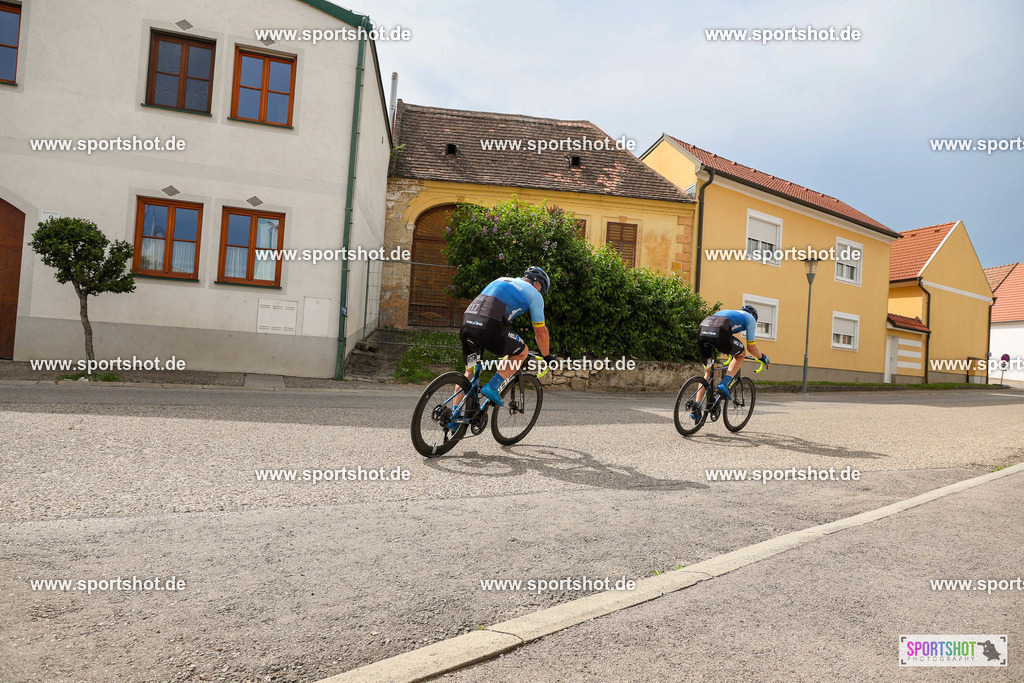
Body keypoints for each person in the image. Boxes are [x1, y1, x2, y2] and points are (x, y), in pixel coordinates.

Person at [460, 266, 556, 406]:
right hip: (489, 326)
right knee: (522, 352)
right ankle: (492, 387)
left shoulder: (501, 279)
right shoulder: (535, 295)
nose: (540, 293)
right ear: (537, 284)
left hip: (467, 324)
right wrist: (547, 356)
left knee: (469, 373)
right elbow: (541, 332)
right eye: (541, 290)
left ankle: (453, 414)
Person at [693, 304, 770, 419]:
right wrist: (762, 357)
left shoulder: (730, 313)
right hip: (719, 334)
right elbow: (751, 347)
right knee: (741, 355)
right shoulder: (751, 319)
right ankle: (724, 384)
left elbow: (724, 337)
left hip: (703, 334)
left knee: (709, 373)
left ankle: (697, 407)